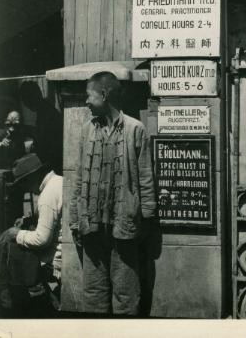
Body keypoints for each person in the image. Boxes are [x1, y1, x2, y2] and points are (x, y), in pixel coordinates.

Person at [69, 71, 156, 316]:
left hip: (123, 223)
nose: (86, 101)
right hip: (92, 225)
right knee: (93, 290)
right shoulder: (86, 130)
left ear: (104, 95)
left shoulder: (134, 130)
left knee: (126, 292)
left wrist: (147, 217)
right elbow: (78, 176)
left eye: (89, 95)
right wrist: (75, 217)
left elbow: (146, 176)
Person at [0, 153, 63, 316]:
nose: (25, 188)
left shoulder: (47, 195)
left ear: (33, 177)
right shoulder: (58, 181)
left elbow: (41, 240)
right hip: (65, 245)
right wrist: (28, 219)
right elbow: (54, 215)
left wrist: (16, 233)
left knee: (9, 245)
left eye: (24, 183)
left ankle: (16, 295)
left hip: (57, 257)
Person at [19, 81, 63, 175]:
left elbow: (44, 139)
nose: (24, 103)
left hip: (54, 164)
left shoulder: (46, 112)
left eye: (25, 99)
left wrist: (26, 131)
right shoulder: (43, 110)